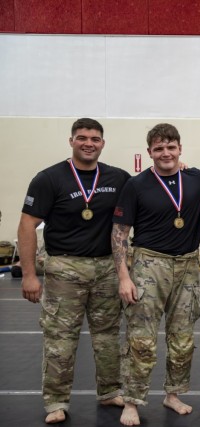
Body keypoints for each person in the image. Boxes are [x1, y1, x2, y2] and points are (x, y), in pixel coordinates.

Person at [18, 118, 129, 424]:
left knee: (107, 336)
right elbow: (27, 225)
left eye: (95, 138)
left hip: (106, 267)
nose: (88, 143)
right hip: (65, 267)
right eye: (82, 138)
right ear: (71, 141)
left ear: (102, 143)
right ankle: (56, 401)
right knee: (60, 337)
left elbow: (148, 187)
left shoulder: (118, 177)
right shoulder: (49, 178)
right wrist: (29, 274)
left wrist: (181, 166)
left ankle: (109, 391)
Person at [111, 123, 200, 426]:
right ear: (149, 153)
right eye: (159, 148)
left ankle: (173, 394)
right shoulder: (136, 185)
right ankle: (132, 401)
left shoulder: (197, 179)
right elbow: (120, 232)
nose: (166, 153)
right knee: (140, 339)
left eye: (171, 147)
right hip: (148, 266)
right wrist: (124, 277)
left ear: (180, 148)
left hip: (187, 267)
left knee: (182, 337)